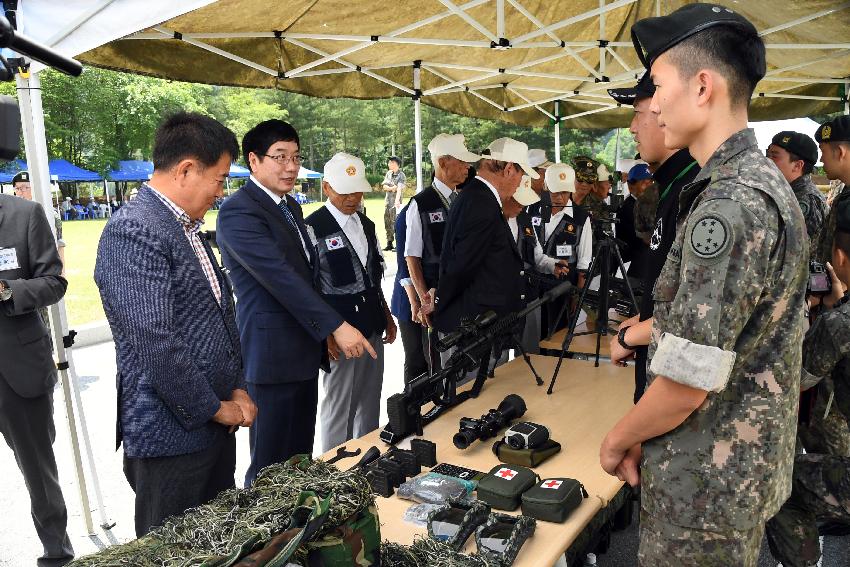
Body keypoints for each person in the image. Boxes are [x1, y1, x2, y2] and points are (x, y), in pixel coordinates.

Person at [600, 6, 807, 566]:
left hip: (705, 488)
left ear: (702, 86)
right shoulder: (755, 183)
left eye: (660, 86)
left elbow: (689, 380)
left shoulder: (730, 203)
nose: (655, 103)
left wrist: (619, 436)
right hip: (729, 470)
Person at [95, 112, 256, 536]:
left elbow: (221, 317)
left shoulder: (185, 226)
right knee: (172, 550)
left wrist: (237, 386)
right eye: (220, 179)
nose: (221, 192)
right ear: (186, 169)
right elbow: (155, 342)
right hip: (171, 436)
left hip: (214, 426)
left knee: (218, 543)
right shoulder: (134, 230)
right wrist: (214, 408)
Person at [216, 120, 375, 486]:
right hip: (272, 358)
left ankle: (298, 533)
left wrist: (323, 334)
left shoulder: (290, 207)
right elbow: (281, 279)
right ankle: (266, 538)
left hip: (302, 351)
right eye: (280, 157)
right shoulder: (240, 211)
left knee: (299, 460)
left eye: (296, 157)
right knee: (270, 466)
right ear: (254, 161)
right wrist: (337, 324)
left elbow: (307, 277)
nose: (290, 167)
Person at [765, 139, 850, 567]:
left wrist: (819, 308)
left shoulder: (839, 324)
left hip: (810, 318)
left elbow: (792, 379)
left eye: (774, 157)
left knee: (780, 481)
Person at [606, 71, 700, 404]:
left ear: (664, 112)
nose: (632, 128)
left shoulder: (696, 191)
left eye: (637, 113)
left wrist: (632, 335)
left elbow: (697, 318)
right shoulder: (672, 188)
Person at [304, 153, 396, 452]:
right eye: (345, 191)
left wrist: (387, 315)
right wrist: (326, 332)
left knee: (370, 400)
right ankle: (335, 466)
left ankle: (367, 458)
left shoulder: (366, 224)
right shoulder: (312, 228)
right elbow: (308, 288)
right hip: (339, 328)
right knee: (339, 403)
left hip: (371, 321)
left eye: (357, 190)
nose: (352, 197)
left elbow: (373, 274)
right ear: (327, 188)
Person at [0, 188, 72, 566]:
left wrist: (5, 289)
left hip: (18, 370)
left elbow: (54, 282)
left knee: (38, 472)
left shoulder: (25, 214)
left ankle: (57, 553)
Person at [432, 137, 536, 338]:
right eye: (520, 174)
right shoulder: (482, 203)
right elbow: (462, 266)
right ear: (509, 170)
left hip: (479, 325)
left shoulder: (477, 197)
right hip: (474, 329)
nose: (518, 184)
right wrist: (442, 304)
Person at [407, 134, 480, 331]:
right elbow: (412, 257)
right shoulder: (420, 204)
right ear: (442, 163)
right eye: (462, 161)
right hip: (437, 295)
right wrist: (425, 300)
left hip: (464, 294)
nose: (468, 167)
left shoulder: (464, 200)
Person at [504, 176, 569, 353]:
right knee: (498, 358)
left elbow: (537, 256)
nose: (522, 206)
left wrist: (553, 265)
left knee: (529, 351)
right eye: (518, 201)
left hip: (528, 297)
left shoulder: (525, 219)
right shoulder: (491, 221)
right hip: (501, 300)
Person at [532, 163, 592, 334]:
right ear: (545, 187)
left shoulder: (581, 218)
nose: (559, 197)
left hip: (564, 287)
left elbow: (584, 262)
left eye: (564, 192)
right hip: (534, 286)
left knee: (559, 336)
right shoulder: (532, 210)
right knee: (535, 337)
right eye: (555, 192)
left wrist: (577, 295)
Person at [766, 130, 827, 252]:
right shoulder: (787, 192)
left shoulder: (806, 199)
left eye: (774, 156)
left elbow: (795, 251)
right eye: (768, 155)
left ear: (798, 165)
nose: (767, 161)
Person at [391, 200, 431, 383]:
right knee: (416, 359)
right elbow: (404, 264)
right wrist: (415, 302)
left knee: (431, 358)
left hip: (428, 297)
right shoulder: (410, 211)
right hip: (409, 298)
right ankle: (411, 408)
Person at [12, 171, 66, 270]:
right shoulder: (11, 214)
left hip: (44, 269)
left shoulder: (50, 214)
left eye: (25, 188)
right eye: (17, 188)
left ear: (35, 189)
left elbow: (59, 246)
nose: (20, 192)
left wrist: (62, 276)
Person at [615, 164, 653, 281]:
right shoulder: (629, 208)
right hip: (633, 269)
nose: (649, 187)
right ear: (631, 185)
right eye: (644, 183)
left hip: (642, 265)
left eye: (650, 182)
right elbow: (648, 238)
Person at [381, 156, 405, 251]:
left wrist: (397, 201)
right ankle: (389, 243)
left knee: (396, 223)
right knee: (387, 223)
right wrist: (392, 188)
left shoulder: (401, 175)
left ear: (396, 164)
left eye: (391, 162)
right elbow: (384, 187)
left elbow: (399, 188)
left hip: (396, 203)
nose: (389, 164)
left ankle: (398, 245)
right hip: (387, 203)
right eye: (389, 162)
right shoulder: (389, 173)